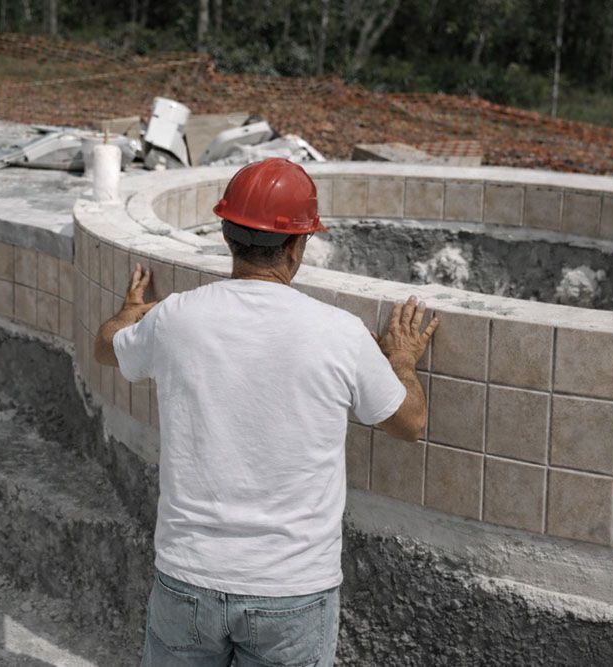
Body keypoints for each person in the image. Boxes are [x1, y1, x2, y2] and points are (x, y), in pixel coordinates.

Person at [94, 158, 438, 666]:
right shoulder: (338, 334)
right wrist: (402, 361)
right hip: (292, 591)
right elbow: (410, 424)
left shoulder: (175, 318)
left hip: (188, 578)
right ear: (299, 245)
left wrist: (127, 314)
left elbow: (106, 348)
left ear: (225, 233)